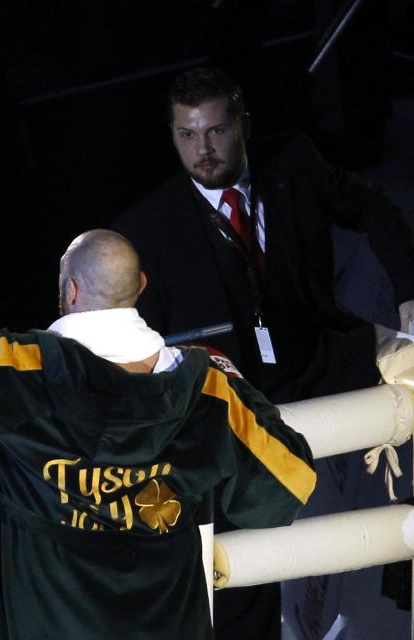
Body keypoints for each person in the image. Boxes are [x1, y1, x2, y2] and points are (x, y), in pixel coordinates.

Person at [0, 104, 316, 639]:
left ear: (68, 291)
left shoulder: (24, 373)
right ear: (141, 288)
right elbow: (284, 489)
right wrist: (233, 383)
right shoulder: (206, 389)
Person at [110, 67, 414, 638]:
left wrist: (409, 292)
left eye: (217, 131)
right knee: (241, 574)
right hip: (235, 409)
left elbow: (373, 208)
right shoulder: (148, 230)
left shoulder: (294, 162)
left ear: (243, 123)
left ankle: (405, 575)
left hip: (321, 363)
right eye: (186, 135)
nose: (203, 150)